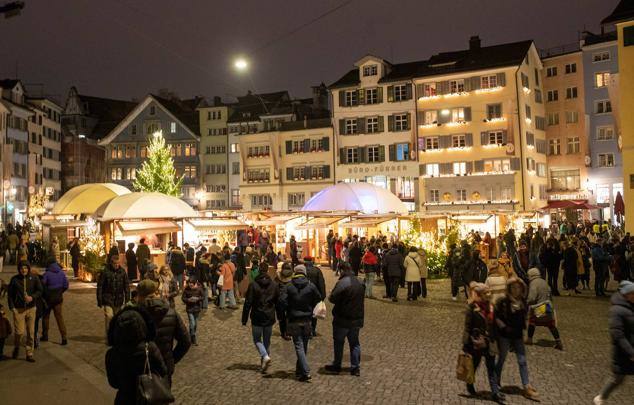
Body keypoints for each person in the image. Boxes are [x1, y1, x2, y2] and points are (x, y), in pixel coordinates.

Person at [105, 305, 167, 405]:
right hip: (148, 399)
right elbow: (163, 371)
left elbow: (113, 383)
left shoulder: (112, 353)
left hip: (125, 399)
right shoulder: (150, 347)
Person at [136, 279, 191, 386]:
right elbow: (186, 341)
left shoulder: (134, 314)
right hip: (164, 367)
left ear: (140, 295)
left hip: (140, 367)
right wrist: (171, 359)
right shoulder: (171, 313)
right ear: (156, 292)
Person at [494, 278, 538, 400]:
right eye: (513, 287)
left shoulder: (523, 301)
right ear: (509, 289)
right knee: (501, 359)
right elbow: (496, 316)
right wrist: (504, 327)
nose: (516, 290)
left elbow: (525, 317)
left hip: (518, 335)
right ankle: (495, 382)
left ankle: (526, 386)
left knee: (522, 361)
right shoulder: (503, 301)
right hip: (505, 335)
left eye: (518, 287)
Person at [593, 281, 634, 405]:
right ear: (626, 294)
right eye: (633, 293)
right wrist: (631, 352)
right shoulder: (616, 310)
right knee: (618, 378)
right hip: (623, 352)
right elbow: (617, 334)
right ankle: (601, 398)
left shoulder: (631, 306)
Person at [461, 283, 502, 402]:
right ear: (479, 295)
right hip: (476, 343)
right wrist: (465, 344)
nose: (488, 295)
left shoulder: (491, 307)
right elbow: (467, 327)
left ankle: (495, 393)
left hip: (489, 342)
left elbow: (494, 325)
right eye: (485, 293)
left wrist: (497, 339)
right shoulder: (472, 309)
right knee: (474, 365)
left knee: (491, 368)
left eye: (489, 293)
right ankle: (470, 384)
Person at [281, 264, 322, 381]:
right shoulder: (311, 286)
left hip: (294, 319)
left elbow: (282, 301)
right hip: (307, 320)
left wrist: (286, 311)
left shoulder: (289, 286)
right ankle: (300, 372)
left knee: (299, 346)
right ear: (304, 273)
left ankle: (305, 371)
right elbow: (318, 298)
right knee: (303, 346)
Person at [324, 262, 365, 376]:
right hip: (357, 318)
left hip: (342, 318)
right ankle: (355, 367)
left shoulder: (342, 283)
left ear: (342, 270)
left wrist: (331, 295)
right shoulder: (360, 282)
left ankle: (337, 365)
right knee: (354, 343)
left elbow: (333, 298)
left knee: (339, 342)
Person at [241, 266, 279, 373]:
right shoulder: (274, 285)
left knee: (257, 339)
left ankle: (265, 357)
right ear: (267, 271)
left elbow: (248, 302)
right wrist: (281, 318)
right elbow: (278, 302)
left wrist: (244, 319)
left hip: (257, 316)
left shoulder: (253, 285)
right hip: (269, 316)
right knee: (267, 341)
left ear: (259, 271)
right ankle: (264, 363)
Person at [8, 261, 43, 362]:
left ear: (28, 269)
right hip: (19, 310)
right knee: (19, 332)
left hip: (31, 309)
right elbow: (10, 295)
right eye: (22, 268)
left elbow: (40, 290)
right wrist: (12, 308)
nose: (24, 270)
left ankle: (29, 353)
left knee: (31, 333)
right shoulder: (14, 280)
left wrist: (32, 297)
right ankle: (17, 346)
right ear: (19, 269)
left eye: (26, 268)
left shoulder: (34, 278)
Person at [526, 268, 563, 350]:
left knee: (532, 321)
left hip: (539, 307)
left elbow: (532, 298)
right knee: (550, 324)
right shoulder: (544, 282)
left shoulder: (533, 283)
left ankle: (529, 339)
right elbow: (550, 294)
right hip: (547, 306)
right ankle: (558, 341)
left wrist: (527, 302)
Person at [97, 254, 130, 338]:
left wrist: (127, 299)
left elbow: (126, 286)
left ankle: (116, 335)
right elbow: (100, 286)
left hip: (119, 299)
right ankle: (109, 336)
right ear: (111, 263)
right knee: (109, 316)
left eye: (118, 263)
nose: (117, 265)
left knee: (117, 318)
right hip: (108, 298)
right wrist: (99, 299)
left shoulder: (122, 272)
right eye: (115, 263)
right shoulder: (105, 271)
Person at [41, 258, 69, 345]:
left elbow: (42, 286)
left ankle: (45, 335)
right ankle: (64, 337)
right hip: (58, 299)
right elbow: (66, 285)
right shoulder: (62, 273)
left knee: (46, 317)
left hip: (48, 299)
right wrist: (60, 292)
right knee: (59, 318)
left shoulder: (47, 274)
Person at [304, 257, 326, 336]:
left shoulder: (303, 270)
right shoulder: (317, 270)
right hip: (314, 296)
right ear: (312, 262)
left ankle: (307, 330)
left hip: (304, 295)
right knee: (314, 314)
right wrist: (322, 296)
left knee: (306, 313)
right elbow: (321, 284)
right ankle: (312, 330)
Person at [181, 277, 203, 345]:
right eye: (189, 284)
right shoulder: (186, 290)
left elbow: (203, 297)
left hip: (197, 308)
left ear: (194, 283)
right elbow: (183, 298)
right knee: (192, 323)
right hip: (189, 309)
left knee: (195, 324)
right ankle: (193, 337)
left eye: (191, 284)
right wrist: (188, 300)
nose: (190, 285)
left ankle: (191, 334)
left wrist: (198, 299)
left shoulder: (199, 289)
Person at [275, 263, 293, 340]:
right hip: (290, 300)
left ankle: (283, 332)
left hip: (280, 300)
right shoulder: (293, 277)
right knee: (289, 316)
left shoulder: (278, 277)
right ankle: (288, 332)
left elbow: (274, 288)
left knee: (281, 318)